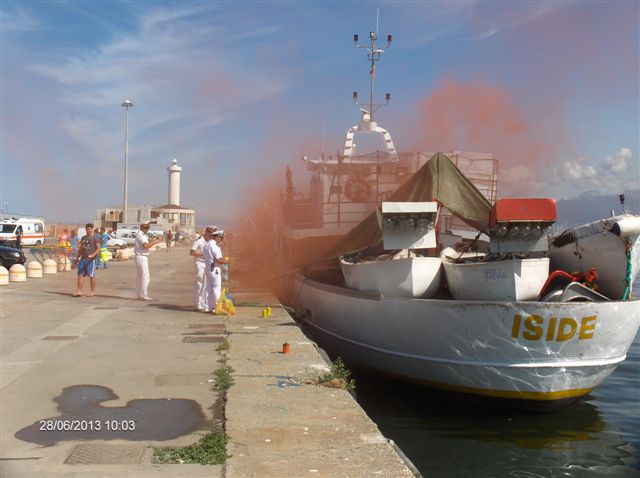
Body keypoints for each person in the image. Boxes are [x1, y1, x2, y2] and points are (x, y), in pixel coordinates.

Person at [203, 229, 229, 313]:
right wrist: (226, 260)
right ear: (217, 237)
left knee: (209, 289)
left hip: (208, 269)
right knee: (216, 289)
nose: (221, 239)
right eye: (221, 238)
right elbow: (219, 260)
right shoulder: (215, 247)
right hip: (215, 270)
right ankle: (218, 308)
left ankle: (209, 307)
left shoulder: (206, 245)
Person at [134, 223, 162, 300]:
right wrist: (155, 242)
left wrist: (154, 240)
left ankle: (140, 294)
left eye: (148, 228)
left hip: (140, 256)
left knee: (140, 277)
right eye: (146, 228)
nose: (147, 229)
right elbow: (145, 246)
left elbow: (147, 241)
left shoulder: (141, 235)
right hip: (142, 256)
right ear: (142, 228)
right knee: (145, 277)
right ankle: (143, 295)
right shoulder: (141, 235)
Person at [73, 223, 101, 297]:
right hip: (83, 258)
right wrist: (77, 258)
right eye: (88, 229)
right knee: (80, 274)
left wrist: (93, 255)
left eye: (91, 229)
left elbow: (98, 248)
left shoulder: (95, 238)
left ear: (92, 229)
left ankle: (92, 291)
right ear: (86, 230)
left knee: (91, 275)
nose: (89, 230)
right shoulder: (83, 238)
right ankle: (79, 291)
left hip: (91, 260)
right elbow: (81, 249)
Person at [190, 227, 214, 311]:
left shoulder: (211, 242)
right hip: (200, 263)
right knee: (199, 283)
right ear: (206, 232)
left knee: (206, 284)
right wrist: (204, 253)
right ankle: (197, 304)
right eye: (210, 233)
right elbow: (192, 252)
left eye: (213, 234)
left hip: (208, 263)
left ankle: (203, 302)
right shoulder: (199, 241)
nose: (211, 235)